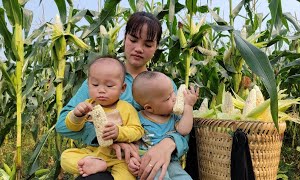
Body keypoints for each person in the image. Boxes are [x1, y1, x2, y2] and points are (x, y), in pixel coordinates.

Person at [56, 11, 189, 180]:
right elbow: (62, 124)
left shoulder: (164, 84)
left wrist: (168, 144)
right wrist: (111, 138)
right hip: (108, 162)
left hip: (148, 165)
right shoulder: (101, 79)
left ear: (156, 47)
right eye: (133, 40)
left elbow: (182, 127)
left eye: (148, 44)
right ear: (124, 38)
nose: (139, 49)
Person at [60, 56, 144, 179]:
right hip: (95, 153)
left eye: (109, 86)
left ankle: (96, 165)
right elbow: (72, 126)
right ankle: (95, 163)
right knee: (66, 157)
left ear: (122, 89)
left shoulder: (126, 108)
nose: (101, 90)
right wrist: (76, 115)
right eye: (95, 84)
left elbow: (137, 130)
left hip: (119, 158)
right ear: (88, 85)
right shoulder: (88, 105)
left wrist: (118, 132)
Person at [128, 71, 199, 179]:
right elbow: (133, 143)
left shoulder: (174, 116)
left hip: (171, 162)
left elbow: (184, 130)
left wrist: (188, 106)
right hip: (148, 163)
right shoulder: (138, 119)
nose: (174, 98)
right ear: (149, 108)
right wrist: (132, 159)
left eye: (173, 93)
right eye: (167, 98)